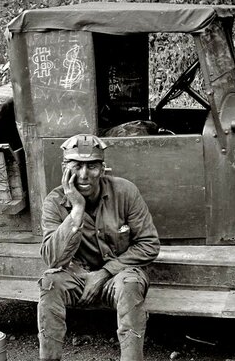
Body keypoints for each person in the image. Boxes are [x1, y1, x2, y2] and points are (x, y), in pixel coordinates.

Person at [37, 134, 160, 361]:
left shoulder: (125, 192)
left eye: (92, 166)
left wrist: (104, 273)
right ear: (65, 169)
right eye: (76, 166)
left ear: (102, 169)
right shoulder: (54, 202)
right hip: (78, 276)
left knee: (130, 283)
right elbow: (52, 259)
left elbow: (149, 244)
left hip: (118, 275)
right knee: (49, 282)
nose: (84, 175)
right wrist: (76, 209)